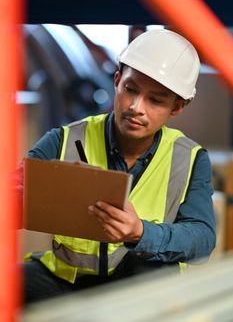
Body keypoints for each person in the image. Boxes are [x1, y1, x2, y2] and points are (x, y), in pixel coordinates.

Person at [21, 29, 216, 303]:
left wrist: (142, 233)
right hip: (66, 279)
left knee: (154, 274)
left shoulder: (190, 158)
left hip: (138, 286)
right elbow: (12, 194)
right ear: (116, 80)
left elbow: (202, 239)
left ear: (177, 107)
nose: (136, 106)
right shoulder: (64, 139)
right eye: (130, 89)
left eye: (155, 100)